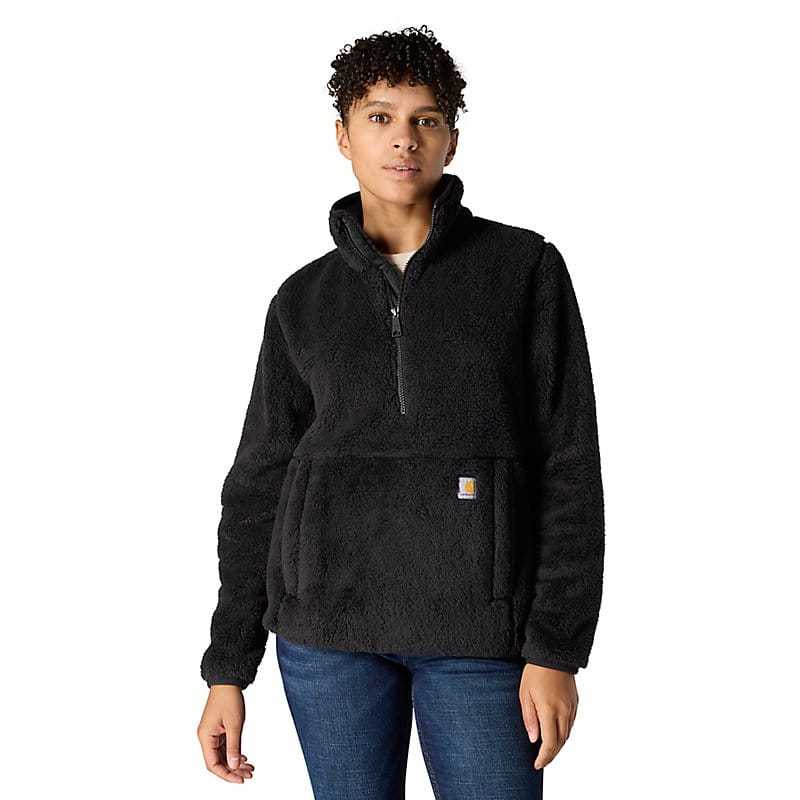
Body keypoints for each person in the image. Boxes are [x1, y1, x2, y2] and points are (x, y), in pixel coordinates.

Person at [197, 24, 604, 799]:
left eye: (426, 119)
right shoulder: (302, 299)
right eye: (379, 117)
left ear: (452, 139)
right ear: (343, 135)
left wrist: (556, 649)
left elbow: (569, 465)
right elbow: (259, 482)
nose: (403, 139)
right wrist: (228, 667)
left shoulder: (524, 269)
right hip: (327, 636)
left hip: (481, 636)